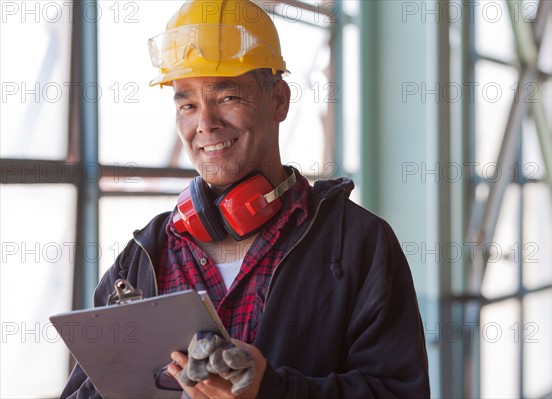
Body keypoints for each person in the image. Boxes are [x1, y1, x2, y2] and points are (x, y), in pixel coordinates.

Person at [61, 0, 430, 398]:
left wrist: (270, 390)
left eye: (227, 97)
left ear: (279, 101)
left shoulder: (359, 244)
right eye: (188, 104)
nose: (205, 124)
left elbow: (398, 392)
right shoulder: (145, 255)